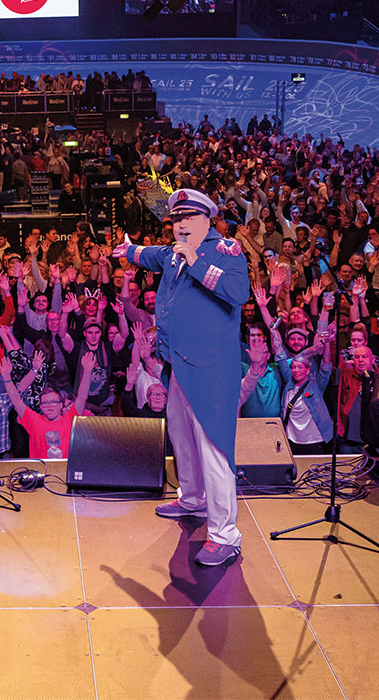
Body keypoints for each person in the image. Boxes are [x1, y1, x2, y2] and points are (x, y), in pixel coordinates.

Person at [112, 188, 250, 567]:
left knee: (214, 450)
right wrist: (128, 251)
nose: (181, 225)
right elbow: (151, 255)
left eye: (189, 218)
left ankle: (225, 535)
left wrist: (196, 262)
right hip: (177, 365)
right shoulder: (172, 253)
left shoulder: (225, 252)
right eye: (176, 219)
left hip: (211, 372)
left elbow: (238, 292)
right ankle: (192, 499)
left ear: (208, 220)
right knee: (181, 437)